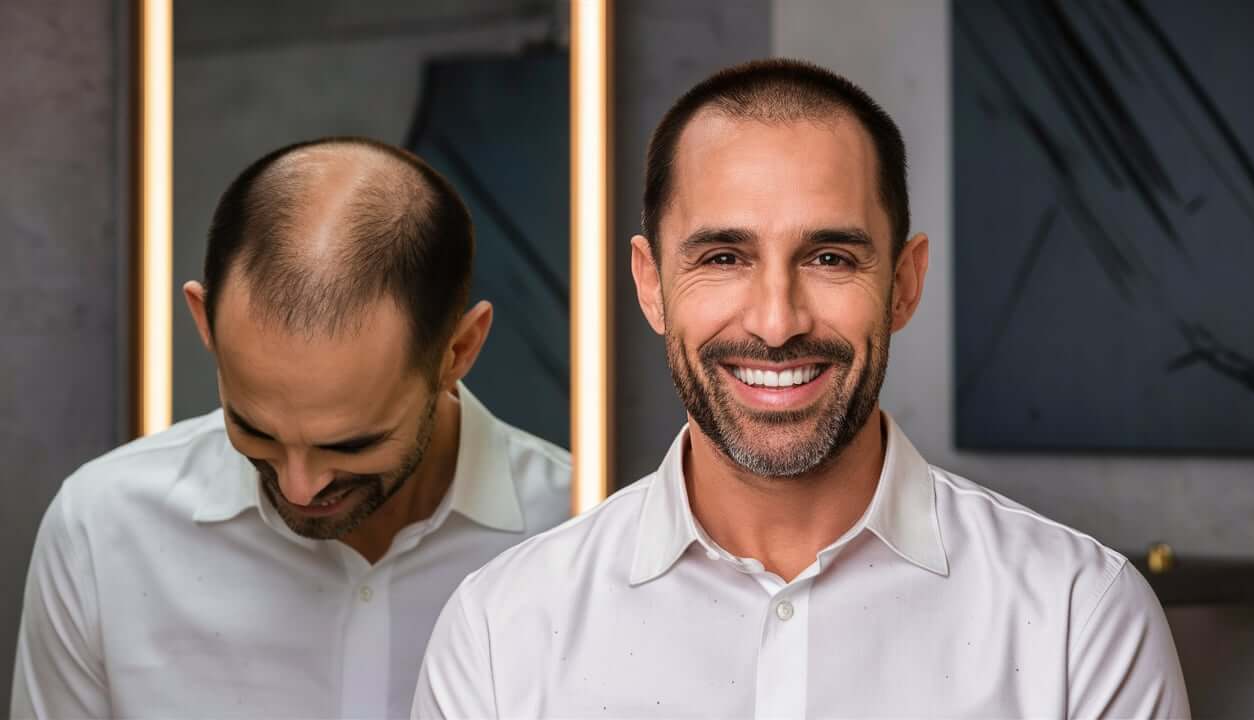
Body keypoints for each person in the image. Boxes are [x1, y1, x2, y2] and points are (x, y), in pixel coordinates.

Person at [413, 60, 1189, 718]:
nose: (777, 322)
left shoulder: (1079, 620)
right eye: (723, 257)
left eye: (829, 258)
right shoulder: (500, 634)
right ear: (651, 287)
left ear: (905, 283)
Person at [11, 137, 570, 719]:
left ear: (458, 350)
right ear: (205, 322)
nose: (300, 488)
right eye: (254, 431)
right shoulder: (101, 530)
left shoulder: (583, 534)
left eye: (351, 443)